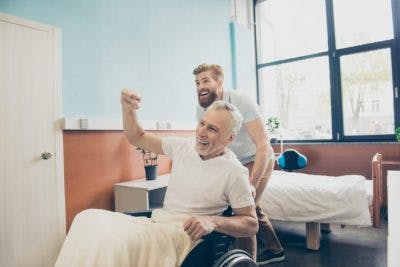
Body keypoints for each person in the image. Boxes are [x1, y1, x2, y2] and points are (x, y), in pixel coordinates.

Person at [55, 89, 258, 267]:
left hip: (185, 238)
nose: (201, 132)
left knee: (111, 239)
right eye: (202, 123)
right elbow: (137, 137)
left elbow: (251, 223)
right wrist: (128, 108)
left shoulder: (234, 172)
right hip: (159, 223)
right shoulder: (183, 147)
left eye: (212, 129)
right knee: (87, 219)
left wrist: (212, 221)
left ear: (230, 139)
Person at [193, 63, 285, 265]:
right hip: (236, 162)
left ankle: (247, 262)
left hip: (258, 157)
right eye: (197, 82)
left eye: (206, 80)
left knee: (243, 211)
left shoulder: (241, 101)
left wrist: (251, 182)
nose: (201, 87)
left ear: (219, 81)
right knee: (253, 209)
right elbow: (210, 146)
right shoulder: (203, 111)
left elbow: (263, 144)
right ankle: (275, 249)